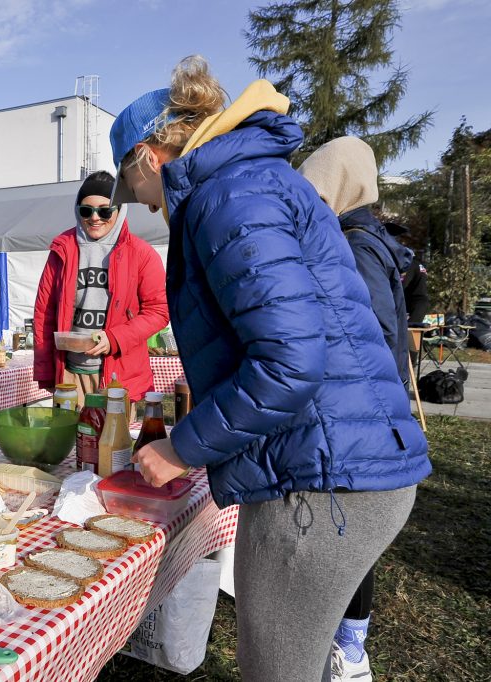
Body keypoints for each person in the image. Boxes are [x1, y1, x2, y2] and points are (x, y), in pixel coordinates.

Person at [115, 56, 431, 682]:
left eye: (134, 191)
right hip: (332, 462)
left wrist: (182, 447)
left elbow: (288, 362)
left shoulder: (227, 197)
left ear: (149, 157)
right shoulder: (250, 181)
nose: (143, 207)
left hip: (321, 482)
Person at [299, 136, 415, 681]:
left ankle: (350, 647)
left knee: (350, 537)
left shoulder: (355, 244)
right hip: (376, 409)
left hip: (362, 414)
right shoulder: (376, 239)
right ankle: (348, 637)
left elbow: (369, 330)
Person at [32, 170, 169, 406]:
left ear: (119, 209)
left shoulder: (141, 253)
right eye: (87, 210)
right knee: (70, 443)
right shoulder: (62, 249)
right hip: (70, 375)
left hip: (118, 377)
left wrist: (115, 338)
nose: (95, 217)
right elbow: (45, 313)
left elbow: (159, 310)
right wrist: (46, 372)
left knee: (114, 443)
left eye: (105, 211)